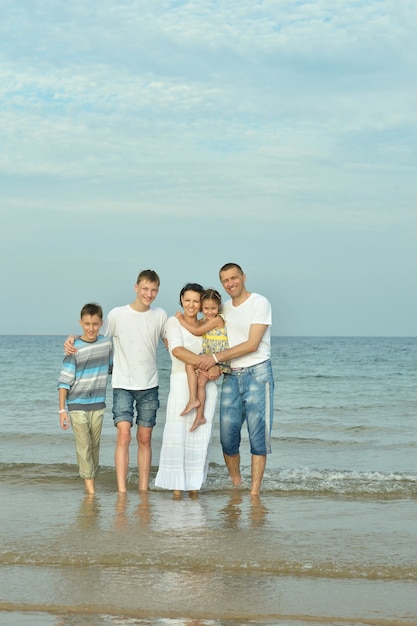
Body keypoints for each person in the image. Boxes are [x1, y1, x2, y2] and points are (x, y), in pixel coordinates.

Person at [64, 270, 167, 493]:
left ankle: (142, 490)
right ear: (136, 287)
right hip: (123, 385)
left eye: (153, 290)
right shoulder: (118, 314)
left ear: (157, 291)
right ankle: (121, 491)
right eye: (145, 289)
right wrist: (72, 337)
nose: (149, 294)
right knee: (124, 434)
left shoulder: (160, 315)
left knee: (145, 437)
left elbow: (171, 339)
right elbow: (93, 333)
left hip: (149, 385)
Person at [197, 263, 274, 496]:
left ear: (243, 277)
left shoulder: (260, 303)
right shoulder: (225, 309)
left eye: (234, 278)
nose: (230, 283)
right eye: (225, 280)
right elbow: (206, 330)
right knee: (227, 439)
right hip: (231, 375)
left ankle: (254, 494)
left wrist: (214, 358)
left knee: (257, 437)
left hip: (258, 374)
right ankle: (237, 485)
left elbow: (252, 344)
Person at [154, 283, 220, 498]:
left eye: (196, 301)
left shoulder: (207, 323)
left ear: (202, 303)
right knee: (178, 434)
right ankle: (176, 489)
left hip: (206, 384)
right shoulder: (173, 322)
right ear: (181, 300)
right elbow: (178, 350)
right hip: (182, 383)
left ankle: (194, 488)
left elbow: (221, 348)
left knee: (201, 435)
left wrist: (218, 366)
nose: (191, 305)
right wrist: (209, 363)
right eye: (187, 300)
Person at [58, 303, 113, 494]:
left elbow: (113, 368)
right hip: (76, 405)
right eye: (87, 323)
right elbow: (64, 381)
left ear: (101, 323)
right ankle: (90, 491)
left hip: (97, 405)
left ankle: (90, 481)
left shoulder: (107, 343)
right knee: (84, 445)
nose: (91, 328)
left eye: (95, 324)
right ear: (81, 323)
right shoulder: (73, 348)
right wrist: (62, 410)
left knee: (94, 447)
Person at [175, 288, 230, 432]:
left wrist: (180, 319)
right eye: (206, 308)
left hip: (217, 359)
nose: (210, 312)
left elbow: (197, 331)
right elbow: (196, 327)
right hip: (208, 356)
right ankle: (195, 405)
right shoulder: (205, 320)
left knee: (197, 376)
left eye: (213, 308)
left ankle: (197, 410)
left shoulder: (218, 319)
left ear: (219, 307)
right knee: (192, 370)